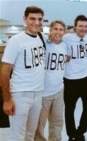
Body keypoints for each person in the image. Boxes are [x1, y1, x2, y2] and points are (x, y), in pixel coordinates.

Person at [1, 6, 45, 141]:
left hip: (38, 94)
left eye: (39, 19)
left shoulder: (40, 37)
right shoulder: (15, 40)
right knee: (17, 137)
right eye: (32, 18)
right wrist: (7, 100)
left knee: (30, 135)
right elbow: (5, 71)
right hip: (20, 95)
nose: (36, 22)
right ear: (25, 19)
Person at [63, 14, 87, 141]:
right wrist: (67, 30)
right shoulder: (67, 38)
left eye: (85, 26)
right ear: (75, 27)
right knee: (69, 109)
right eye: (80, 26)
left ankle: (81, 131)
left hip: (86, 79)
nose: (83, 29)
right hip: (70, 80)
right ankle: (72, 134)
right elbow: (53, 36)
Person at [34, 20, 68, 141]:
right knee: (39, 125)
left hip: (58, 90)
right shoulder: (43, 43)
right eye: (56, 29)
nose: (58, 32)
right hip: (43, 92)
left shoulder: (64, 45)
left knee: (57, 123)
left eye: (61, 30)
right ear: (51, 30)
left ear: (64, 32)